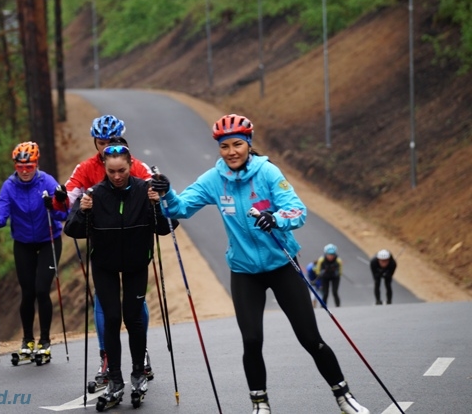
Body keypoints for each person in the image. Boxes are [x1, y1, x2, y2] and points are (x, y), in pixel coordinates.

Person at [150, 114, 370, 414]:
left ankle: (344, 397)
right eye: (225, 146)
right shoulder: (214, 179)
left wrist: (275, 218)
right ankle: (260, 404)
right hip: (244, 271)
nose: (231, 152)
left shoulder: (267, 172)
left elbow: (298, 211)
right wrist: (166, 192)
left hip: (281, 264)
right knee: (251, 339)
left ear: (249, 144)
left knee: (309, 338)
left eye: (238, 144)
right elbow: (180, 209)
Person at [63, 139, 175, 409]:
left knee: (133, 317)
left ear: (130, 166)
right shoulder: (95, 193)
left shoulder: (144, 190)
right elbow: (73, 230)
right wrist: (83, 211)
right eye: (111, 171)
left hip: (137, 263)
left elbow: (166, 228)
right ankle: (115, 380)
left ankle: (138, 373)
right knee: (111, 318)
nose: (116, 176)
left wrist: (158, 205)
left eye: (121, 171)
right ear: (104, 167)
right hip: (105, 265)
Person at [58, 115, 155, 385]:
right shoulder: (87, 168)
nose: (105, 149)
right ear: (95, 142)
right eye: (101, 143)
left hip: (134, 250)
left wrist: (161, 198)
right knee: (107, 309)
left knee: (134, 310)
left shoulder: (135, 166)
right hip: (105, 251)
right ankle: (107, 358)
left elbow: (159, 198)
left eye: (111, 142)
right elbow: (68, 200)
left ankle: (141, 353)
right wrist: (61, 202)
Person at [0, 141, 69, 361]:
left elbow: (62, 214)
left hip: (48, 240)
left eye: (29, 166)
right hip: (23, 243)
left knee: (42, 289)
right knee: (28, 292)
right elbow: (1, 211)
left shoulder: (47, 181)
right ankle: (28, 340)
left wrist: (58, 202)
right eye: (20, 166)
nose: (24, 170)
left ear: (36, 164)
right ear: (15, 165)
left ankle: (45, 340)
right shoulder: (9, 186)